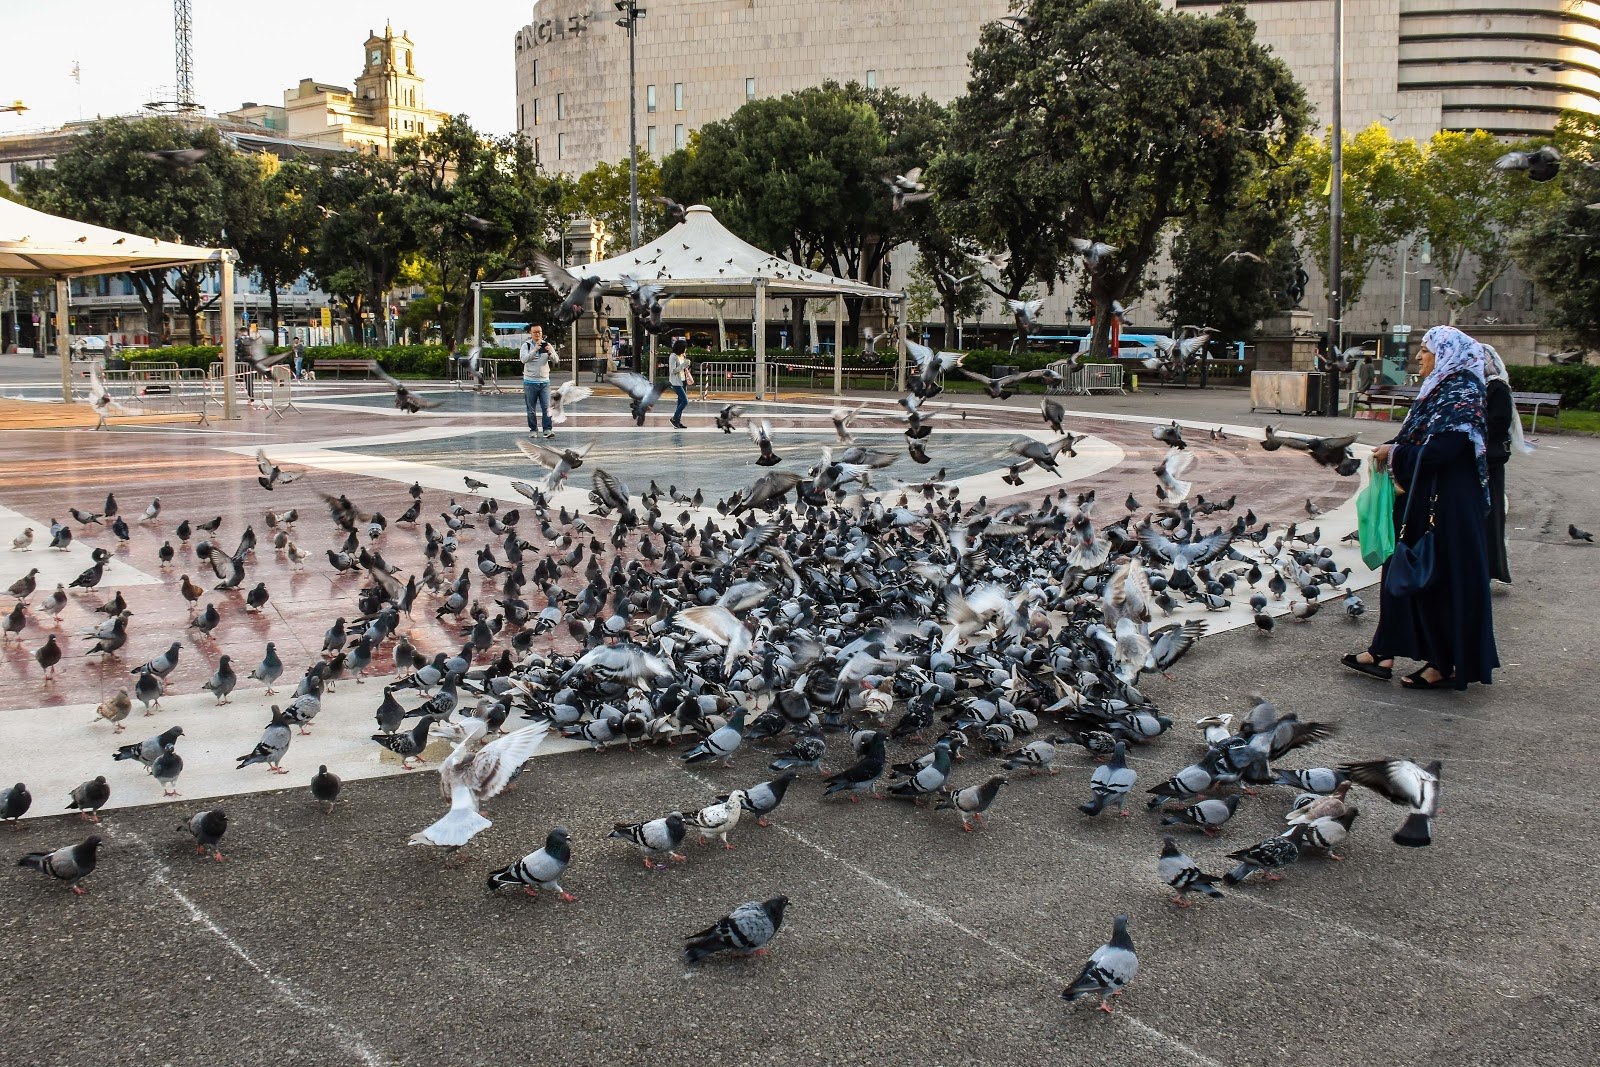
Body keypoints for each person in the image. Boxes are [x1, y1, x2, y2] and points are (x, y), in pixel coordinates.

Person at [1343, 325, 1499, 690]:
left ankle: (1443, 663)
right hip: (1429, 499)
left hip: (1450, 506)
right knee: (1408, 573)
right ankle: (1385, 650)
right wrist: (1393, 448)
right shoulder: (1442, 389)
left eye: (1426, 350)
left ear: (1447, 354)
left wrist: (1395, 453)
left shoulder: (1463, 391)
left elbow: (1445, 450)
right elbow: (1418, 437)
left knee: (1435, 579)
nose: (1418, 356)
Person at [1480, 345, 1533, 583]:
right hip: (1484, 459)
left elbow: (1498, 423)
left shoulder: (1497, 387)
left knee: (1492, 515)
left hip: (1491, 461)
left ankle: (1491, 568)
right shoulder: (1482, 386)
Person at [519, 325, 556, 438]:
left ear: (542, 332)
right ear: (530, 333)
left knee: (547, 407)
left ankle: (547, 429)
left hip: (544, 381)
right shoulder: (526, 346)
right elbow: (523, 359)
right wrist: (534, 350)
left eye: (539, 332)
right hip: (530, 382)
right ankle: (533, 429)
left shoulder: (547, 345)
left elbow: (556, 360)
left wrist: (550, 353)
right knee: (531, 409)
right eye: (534, 332)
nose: (537, 334)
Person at [667, 336, 692, 429]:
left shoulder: (682, 355)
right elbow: (673, 370)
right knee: (685, 401)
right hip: (675, 382)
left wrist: (686, 366)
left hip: (683, 380)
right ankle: (674, 418)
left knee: (680, 402)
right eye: (684, 348)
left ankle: (677, 421)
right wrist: (684, 364)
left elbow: (683, 368)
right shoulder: (673, 356)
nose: (685, 349)